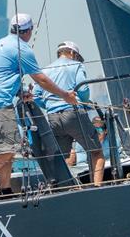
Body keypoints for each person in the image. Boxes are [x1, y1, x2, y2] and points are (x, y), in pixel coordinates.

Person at [0, 13, 78, 200]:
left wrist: (19, 92)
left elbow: (1, 74)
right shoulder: (22, 49)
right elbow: (41, 79)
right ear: (28, 31)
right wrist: (65, 95)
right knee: (6, 150)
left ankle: (5, 191)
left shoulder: (1, 44)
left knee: (6, 150)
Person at [34, 41, 104, 186]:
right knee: (96, 152)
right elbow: (83, 91)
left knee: (62, 156)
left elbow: (36, 96)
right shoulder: (76, 65)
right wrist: (83, 101)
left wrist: (49, 105)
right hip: (73, 113)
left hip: (53, 117)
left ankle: (66, 188)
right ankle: (96, 188)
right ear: (72, 53)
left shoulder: (45, 70)